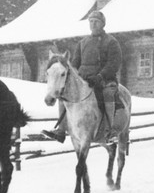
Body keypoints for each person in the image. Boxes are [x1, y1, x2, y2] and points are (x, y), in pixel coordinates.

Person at [42, 10, 122, 143]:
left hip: (104, 80)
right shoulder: (83, 42)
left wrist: (100, 76)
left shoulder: (111, 42)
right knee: (63, 95)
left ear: (103, 24)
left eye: (96, 22)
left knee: (108, 94)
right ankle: (61, 130)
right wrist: (75, 77)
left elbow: (113, 63)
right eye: (91, 22)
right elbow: (74, 64)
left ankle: (110, 130)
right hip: (84, 80)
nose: (93, 24)